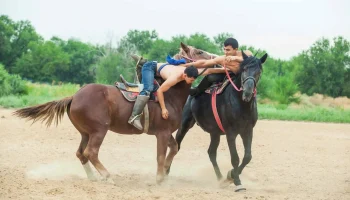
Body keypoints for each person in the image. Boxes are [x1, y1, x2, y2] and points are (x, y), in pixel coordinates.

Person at [181, 38, 253, 96]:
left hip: (246, 77)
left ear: (236, 49)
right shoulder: (223, 58)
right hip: (229, 73)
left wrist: (236, 58)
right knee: (210, 75)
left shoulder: (246, 53)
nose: (225, 52)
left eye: (228, 50)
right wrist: (185, 65)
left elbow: (252, 61)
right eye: (224, 49)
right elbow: (204, 63)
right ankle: (197, 91)